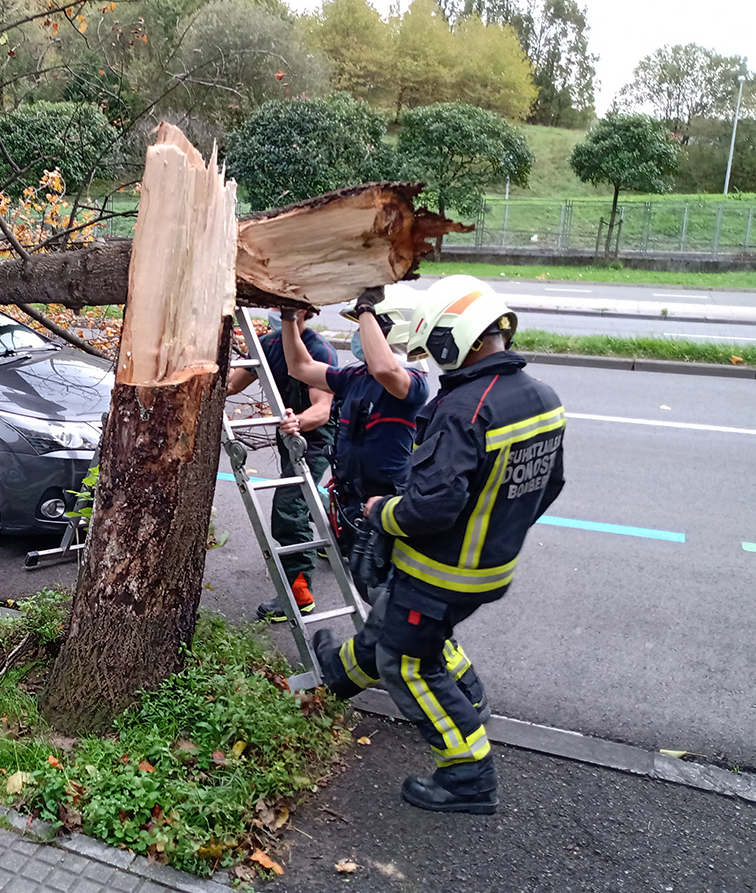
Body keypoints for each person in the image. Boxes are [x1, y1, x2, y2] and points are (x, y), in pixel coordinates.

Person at [316, 275, 567, 815]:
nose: (431, 357)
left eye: (432, 344)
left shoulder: (466, 408)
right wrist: (497, 529)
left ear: (453, 338)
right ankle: (333, 679)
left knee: (408, 662)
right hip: (489, 564)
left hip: (442, 571)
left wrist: (380, 514)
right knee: (389, 624)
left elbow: (428, 508)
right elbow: (550, 484)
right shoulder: (541, 397)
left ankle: (467, 774)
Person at [279, 285, 428, 576]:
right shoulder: (355, 376)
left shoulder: (413, 382)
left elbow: (386, 371)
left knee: (383, 583)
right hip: (351, 501)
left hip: (387, 503)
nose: (359, 334)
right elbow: (300, 367)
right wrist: (288, 318)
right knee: (362, 579)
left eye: (364, 326)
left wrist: (366, 308)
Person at [228, 309, 336, 622]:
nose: (274, 312)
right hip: (289, 434)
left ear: (301, 311)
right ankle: (334, 537)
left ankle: (298, 595)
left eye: (281, 307)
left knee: (288, 509)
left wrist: (297, 422)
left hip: (315, 438)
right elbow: (232, 384)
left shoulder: (319, 351)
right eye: (274, 307)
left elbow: (322, 410)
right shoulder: (268, 344)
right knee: (304, 497)